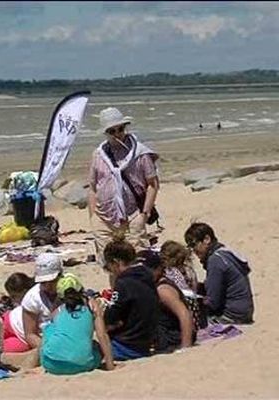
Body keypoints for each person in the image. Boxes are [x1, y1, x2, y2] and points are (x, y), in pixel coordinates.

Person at [88, 107, 160, 266]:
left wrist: (144, 215)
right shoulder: (98, 154)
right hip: (104, 218)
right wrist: (93, 216)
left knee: (135, 261)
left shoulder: (140, 153)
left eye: (120, 129)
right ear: (106, 133)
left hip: (132, 216)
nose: (117, 134)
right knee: (110, 264)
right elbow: (93, 187)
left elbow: (153, 184)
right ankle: (117, 291)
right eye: (112, 131)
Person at [40, 273, 115, 375]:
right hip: (83, 364)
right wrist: (110, 365)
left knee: (49, 329)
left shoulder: (58, 311)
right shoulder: (92, 306)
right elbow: (102, 335)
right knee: (95, 347)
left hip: (51, 365)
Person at [184, 222, 254, 324]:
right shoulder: (224, 253)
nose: (193, 250)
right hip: (244, 312)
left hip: (232, 316)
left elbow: (213, 303)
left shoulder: (215, 261)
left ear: (207, 239)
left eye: (193, 244)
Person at [102, 237, 158, 361]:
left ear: (116, 262)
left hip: (126, 345)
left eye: (109, 266)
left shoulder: (123, 283)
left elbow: (109, 320)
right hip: (146, 342)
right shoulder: (147, 277)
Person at [4, 253, 63, 353]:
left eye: (52, 281)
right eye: (43, 283)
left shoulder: (70, 292)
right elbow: (30, 334)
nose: (48, 286)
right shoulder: (33, 297)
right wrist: (52, 351)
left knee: (9, 349)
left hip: (23, 340)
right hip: (12, 322)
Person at [139, 250, 195, 353]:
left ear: (158, 269)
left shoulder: (163, 290)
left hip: (172, 341)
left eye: (147, 270)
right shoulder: (152, 285)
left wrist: (185, 347)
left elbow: (184, 314)